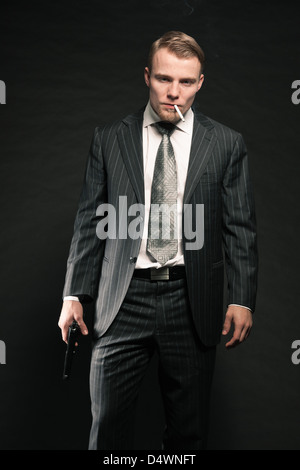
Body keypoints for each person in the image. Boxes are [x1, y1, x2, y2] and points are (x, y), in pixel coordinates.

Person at [58, 31, 258, 450]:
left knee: (188, 436)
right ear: (147, 76)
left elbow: (239, 226)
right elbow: (90, 220)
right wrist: (73, 294)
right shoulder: (109, 138)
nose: (174, 94)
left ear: (200, 83)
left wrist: (241, 297)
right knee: (107, 430)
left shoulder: (225, 143)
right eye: (164, 79)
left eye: (186, 83)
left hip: (191, 300)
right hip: (122, 299)